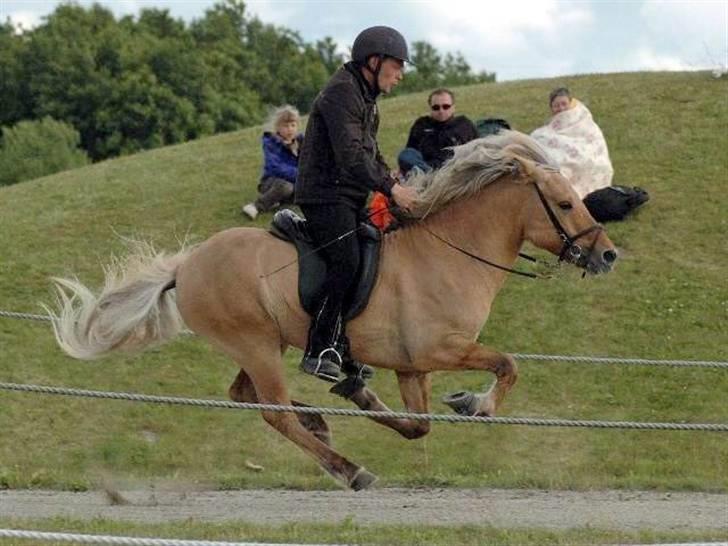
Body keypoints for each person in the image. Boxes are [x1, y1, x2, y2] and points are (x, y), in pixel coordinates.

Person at [294, 26, 418, 382]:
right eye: (397, 66)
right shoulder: (341, 94)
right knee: (346, 260)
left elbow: (371, 154)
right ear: (374, 61)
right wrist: (390, 190)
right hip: (323, 196)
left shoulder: (366, 101)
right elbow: (350, 157)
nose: (400, 75)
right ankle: (319, 350)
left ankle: (345, 348)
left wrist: (392, 184)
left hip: (348, 197)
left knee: (372, 254)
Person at [530, 87, 614, 200]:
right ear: (551, 108)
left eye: (564, 104)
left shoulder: (585, 123)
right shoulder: (544, 132)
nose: (561, 108)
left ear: (571, 104)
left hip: (585, 159)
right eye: (556, 105)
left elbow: (594, 144)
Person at [242, 105, 303, 220]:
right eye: (285, 126)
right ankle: (256, 206)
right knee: (286, 187)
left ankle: (278, 201)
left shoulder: (301, 141)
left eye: (293, 125)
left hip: (296, 180)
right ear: (278, 127)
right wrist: (300, 174)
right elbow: (275, 167)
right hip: (272, 182)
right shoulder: (271, 143)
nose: (290, 129)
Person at [398, 88, 479, 175]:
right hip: (426, 165)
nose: (441, 111)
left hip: (454, 167)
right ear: (430, 108)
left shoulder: (464, 124)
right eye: (436, 107)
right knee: (405, 155)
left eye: (446, 106)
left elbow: (478, 148)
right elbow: (410, 151)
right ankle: (429, 173)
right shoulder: (421, 124)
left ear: (453, 107)